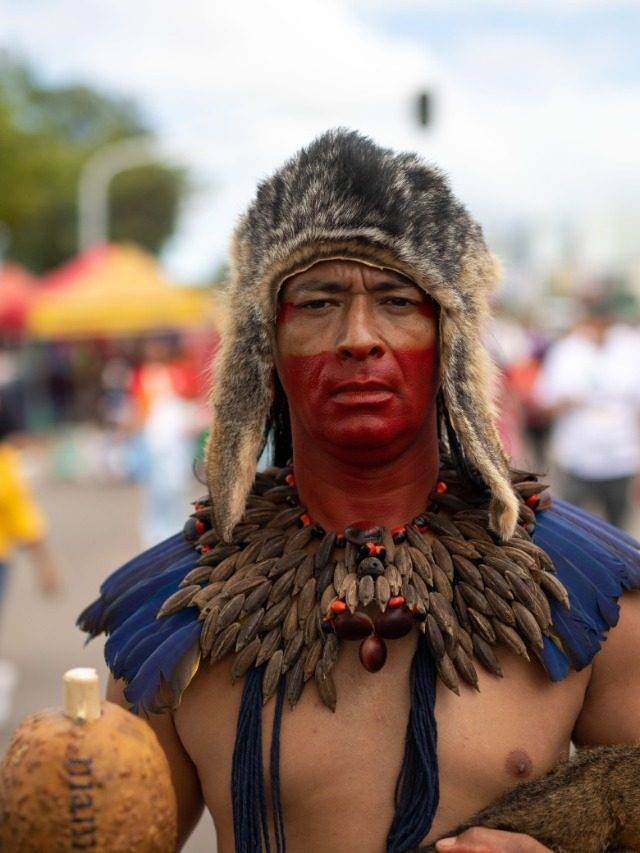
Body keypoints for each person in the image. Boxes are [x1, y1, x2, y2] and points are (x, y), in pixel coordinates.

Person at [79, 131, 640, 852]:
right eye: (318, 302)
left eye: (398, 299)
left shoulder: (587, 595)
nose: (359, 337)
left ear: (450, 339)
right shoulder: (177, 613)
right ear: (264, 347)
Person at [536, 296, 640, 528]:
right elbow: (544, 402)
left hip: (620, 458)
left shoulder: (630, 349)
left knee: (618, 528)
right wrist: (566, 401)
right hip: (577, 459)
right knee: (574, 527)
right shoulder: (566, 351)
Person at [0, 404, 61, 726]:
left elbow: (24, 518)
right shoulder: (6, 463)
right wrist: (45, 566)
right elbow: (25, 519)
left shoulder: (7, 464)